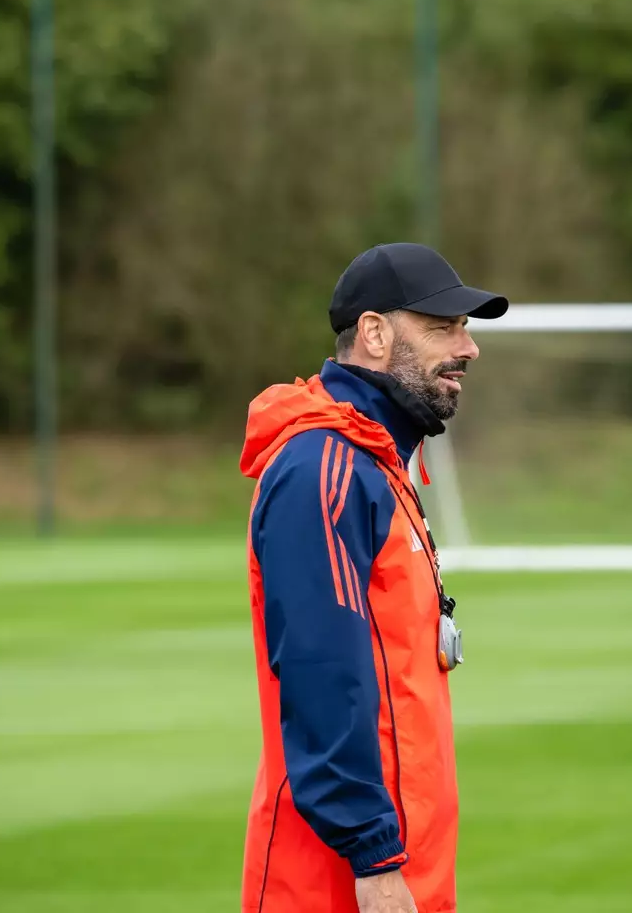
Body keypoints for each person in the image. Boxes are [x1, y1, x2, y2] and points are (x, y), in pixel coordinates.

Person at [237, 243, 507, 913]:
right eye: (444, 327)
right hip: (335, 881)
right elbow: (323, 672)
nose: (468, 348)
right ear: (375, 334)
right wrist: (375, 857)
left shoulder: (376, 463)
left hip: (394, 866)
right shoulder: (323, 469)